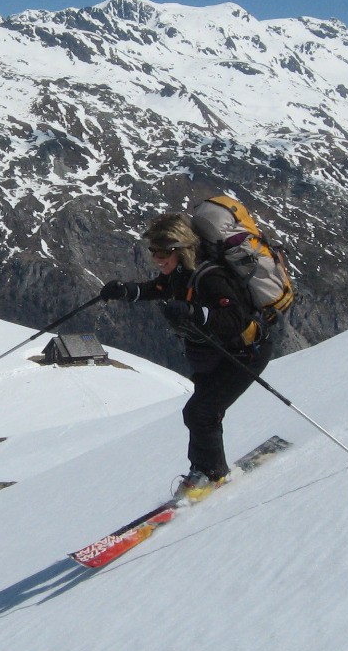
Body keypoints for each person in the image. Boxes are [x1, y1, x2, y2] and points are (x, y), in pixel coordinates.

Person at [99, 212, 272, 496]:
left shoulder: (211, 276)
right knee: (204, 412)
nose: (157, 257)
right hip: (217, 356)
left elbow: (235, 319)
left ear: (181, 249)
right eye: (154, 250)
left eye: (164, 251)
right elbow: (157, 288)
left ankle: (210, 474)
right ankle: (208, 470)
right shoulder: (180, 274)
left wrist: (196, 313)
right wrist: (126, 291)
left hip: (243, 354)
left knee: (200, 412)